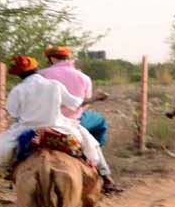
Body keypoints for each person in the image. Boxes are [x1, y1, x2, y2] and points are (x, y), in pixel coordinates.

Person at [0, 55, 112, 189]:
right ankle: (100, 172)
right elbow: (75, 103)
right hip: (59, 127)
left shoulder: (18, 90)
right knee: (90, 144)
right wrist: (95, 98)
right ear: (37, 68)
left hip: (26, 129)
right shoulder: (55, 85)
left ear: (18, 74)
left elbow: (13, 112)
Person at [37, 46, 121, 193]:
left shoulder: (41, 75)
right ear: (67, 58)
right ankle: (104, 174)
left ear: (51, 59)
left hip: (44, 120)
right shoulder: (83, 77)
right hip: (73, 118)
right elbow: (84, 104)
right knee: (97, 126)